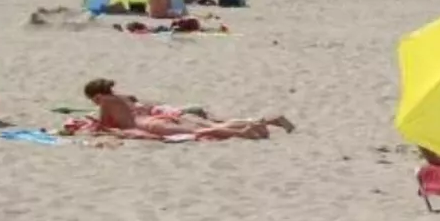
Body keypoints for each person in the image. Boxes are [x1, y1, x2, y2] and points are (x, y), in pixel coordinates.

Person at [83, 79, 293, 139]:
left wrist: (94, 128)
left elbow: (101, 126)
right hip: (161, 118)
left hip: (150, 125)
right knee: (211, 124)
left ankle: (243, 132)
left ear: (97, 95)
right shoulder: (123, 97)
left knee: (199, 132)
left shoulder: (106, 101)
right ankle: (266, 121)